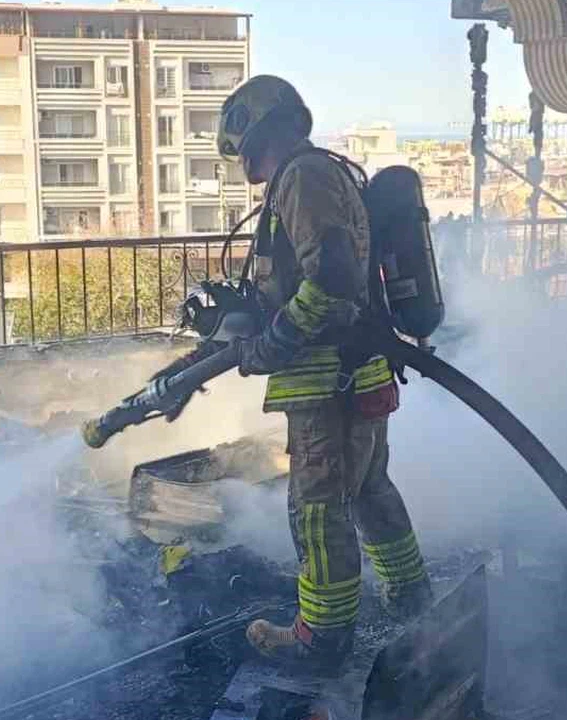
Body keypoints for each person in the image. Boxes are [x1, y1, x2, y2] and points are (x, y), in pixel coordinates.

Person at [180, 75, 433, 670]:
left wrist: (276, 339)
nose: (240, 158)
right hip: (359, 371)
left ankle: (321, 636)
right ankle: (410, 593)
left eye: (240, 143)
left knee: (317, 507)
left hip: (327, 380)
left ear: (258, 129)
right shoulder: (323, 172)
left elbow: (333, 275)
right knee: (371, 491)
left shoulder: (300, 177)